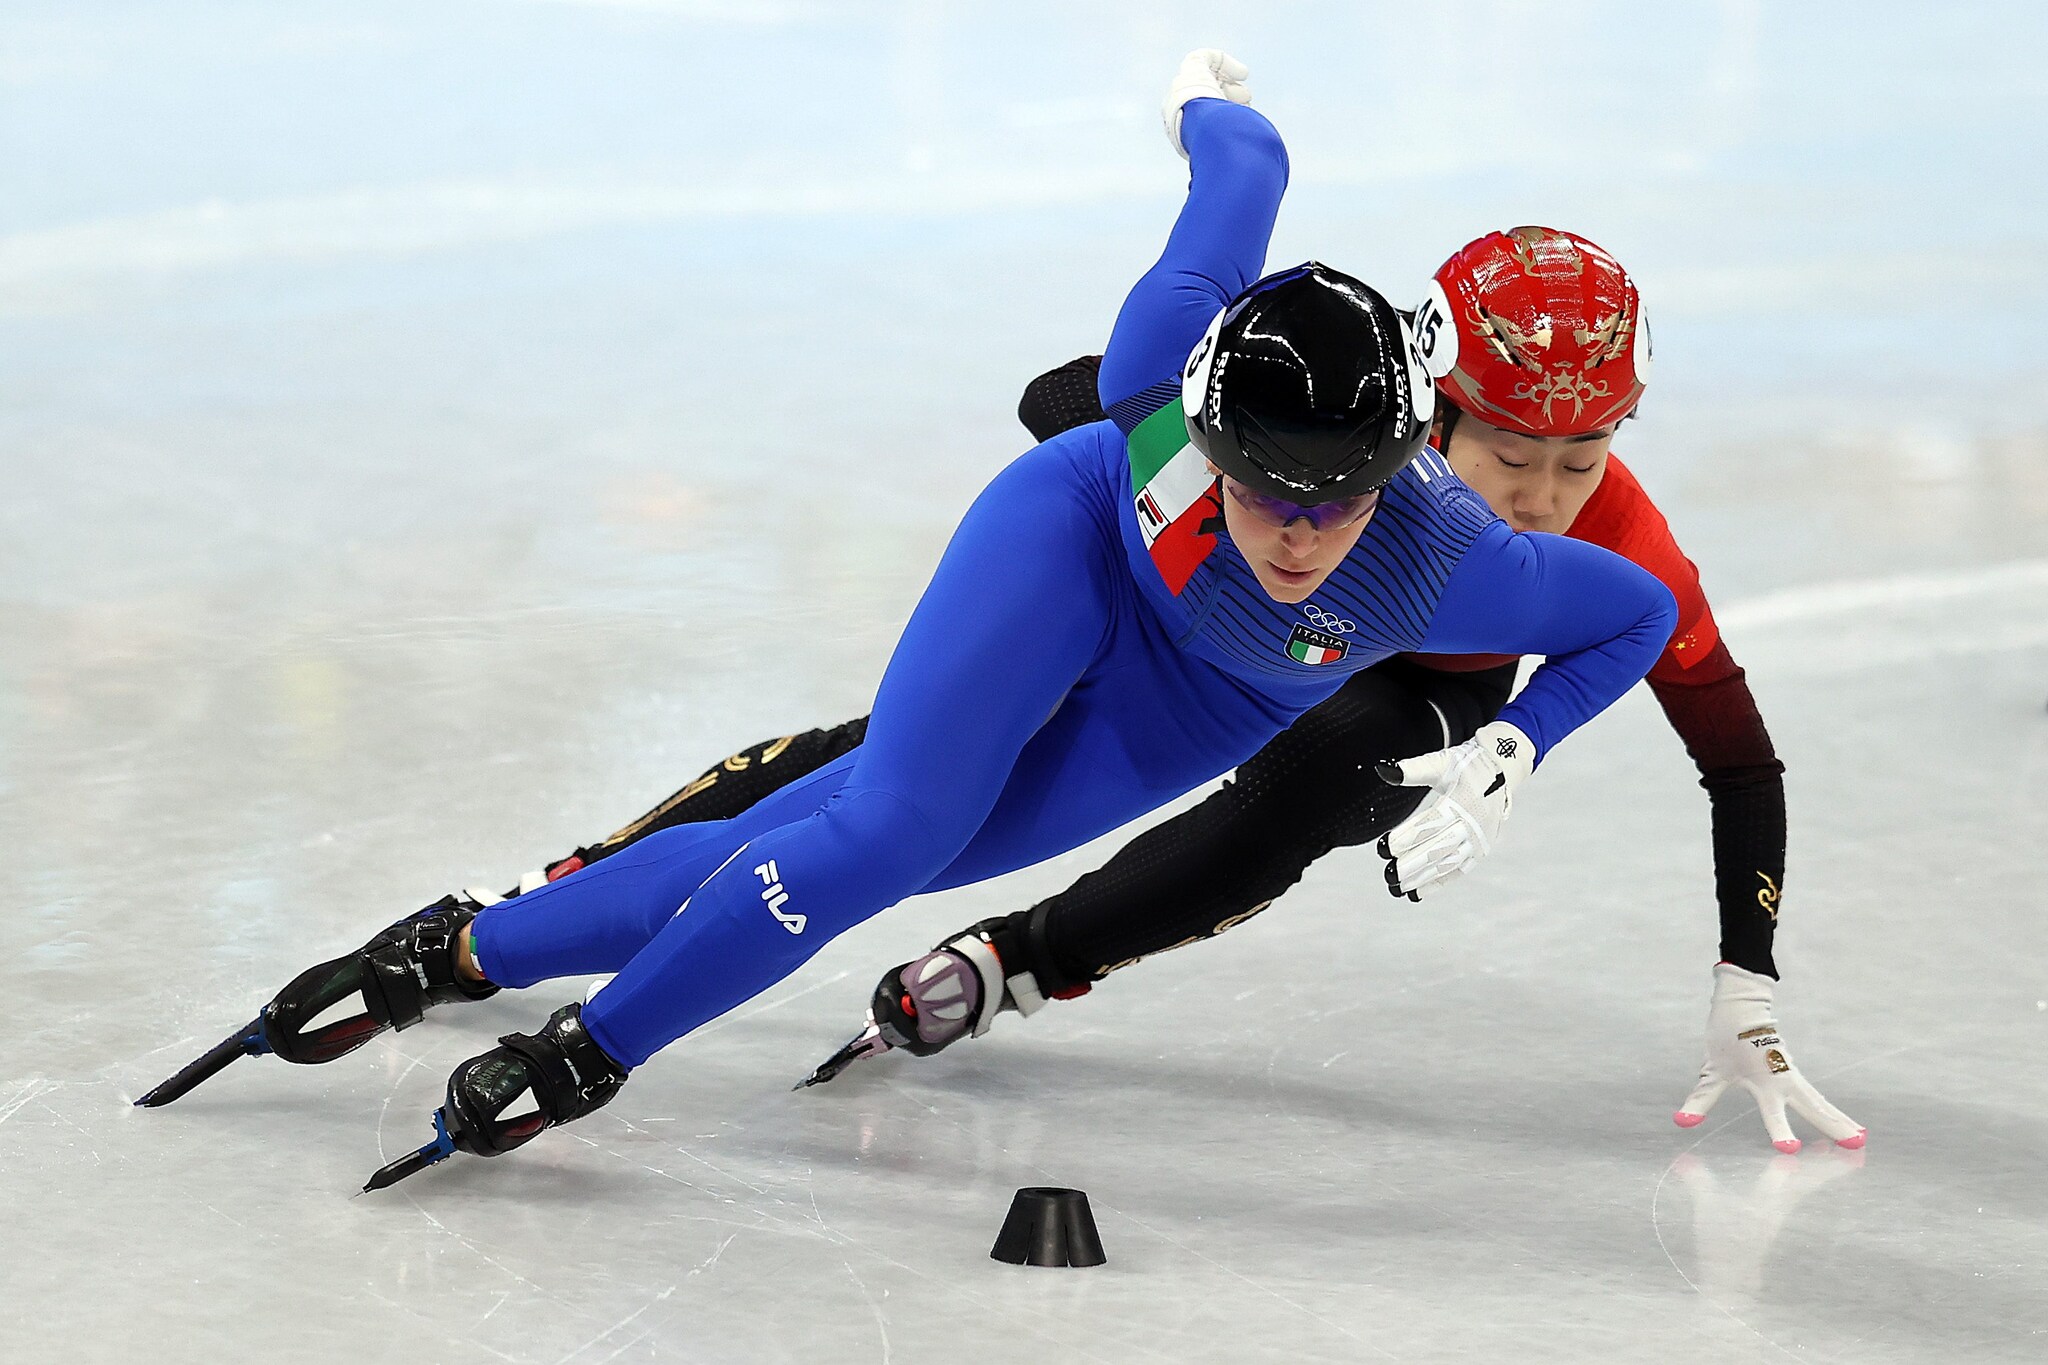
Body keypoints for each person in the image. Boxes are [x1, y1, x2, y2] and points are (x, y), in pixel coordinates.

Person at [140, 53, 1679, 1188]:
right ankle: (591, 1049)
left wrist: (1514, 748)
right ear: (1201, 432)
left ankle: (464, 946)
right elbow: (1239, 185)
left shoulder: (1451, 562)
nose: (1293, 531)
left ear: (1397, 473)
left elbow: (1635, 615)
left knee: (856, 834)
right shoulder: (1150, 396)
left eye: (1333, 504)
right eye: (1262, 488)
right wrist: (1212, 101)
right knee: (885, 826)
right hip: (1073, 549)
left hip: (1198, 703)